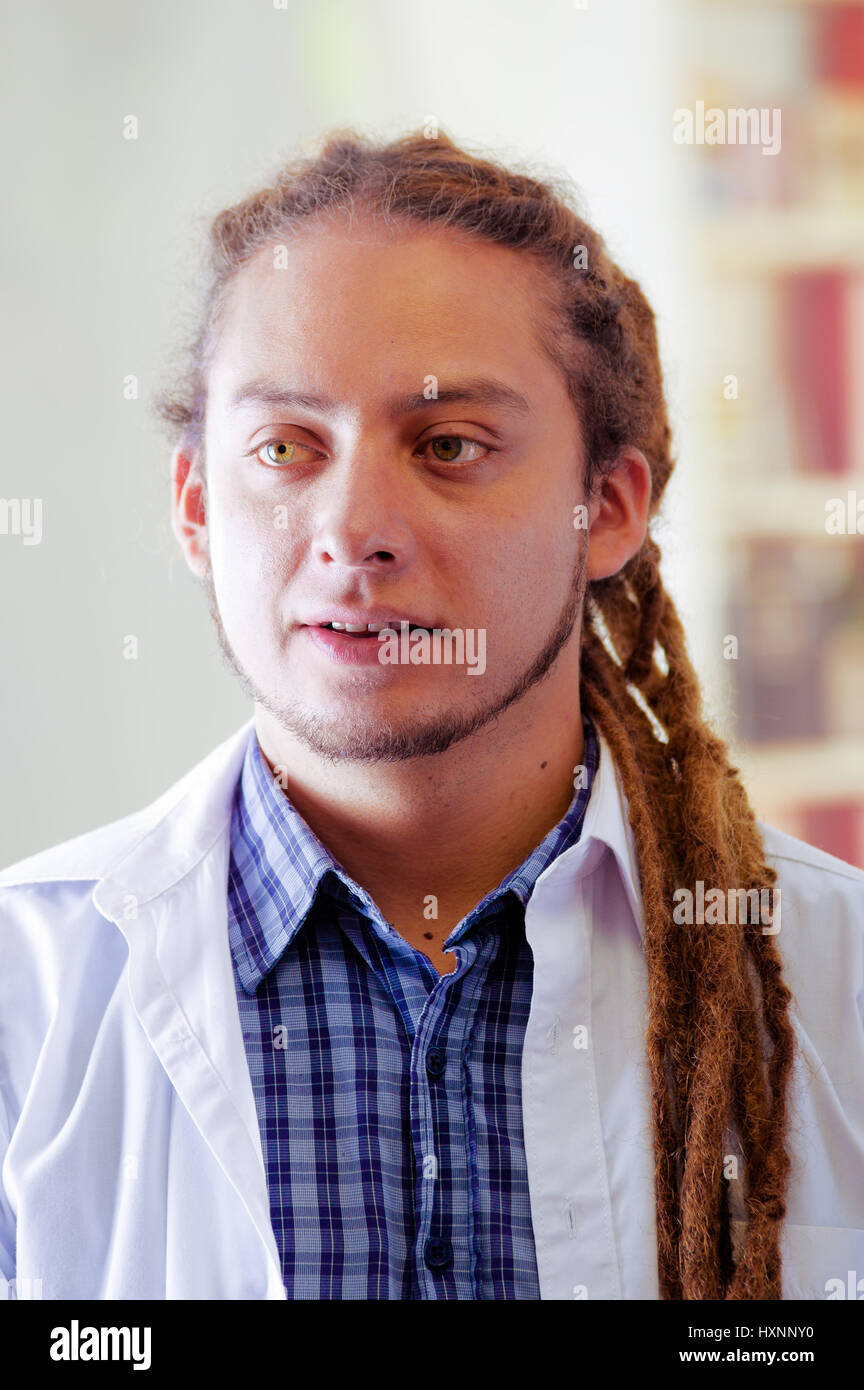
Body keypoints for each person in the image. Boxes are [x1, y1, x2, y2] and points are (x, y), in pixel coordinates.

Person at [1, 129, 862, 1302]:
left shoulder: (841, 985)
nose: (353, 530)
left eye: (449, 445)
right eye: (284, 447)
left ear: (605, 508)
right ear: (197, 506)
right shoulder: (24, 1000)